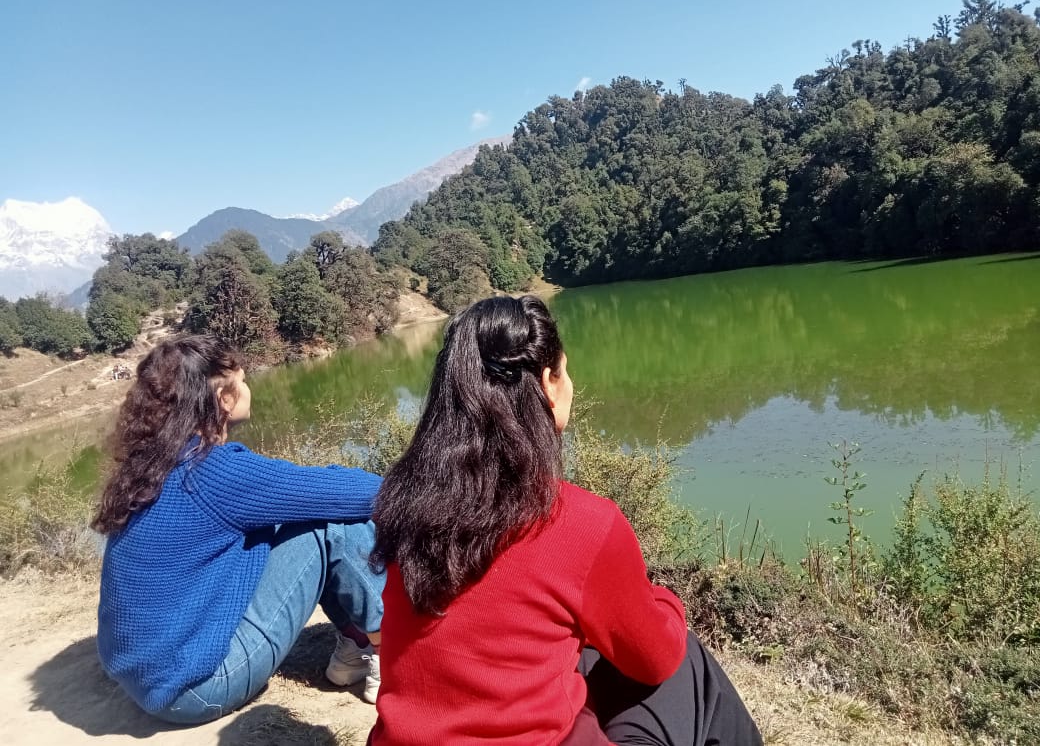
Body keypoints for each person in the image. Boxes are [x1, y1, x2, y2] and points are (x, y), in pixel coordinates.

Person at [369, 295, 762, 745]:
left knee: (588, 663)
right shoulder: (577, 521)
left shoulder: (402, 507)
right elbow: (655, 657)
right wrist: (668, 602)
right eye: (564, 370)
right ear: (547, 383)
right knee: (687, 661)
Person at [93, 334, 385, 725]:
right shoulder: (211, 471)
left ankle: (354, 649)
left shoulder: (151, 465)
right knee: (329, 525)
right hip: (196, 688)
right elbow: (362, 494)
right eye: (243, 380)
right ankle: (390, 649)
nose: (248, 388)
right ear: (223, 398)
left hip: (144, 679)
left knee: (296, 513)